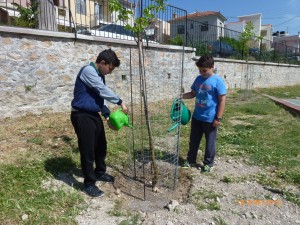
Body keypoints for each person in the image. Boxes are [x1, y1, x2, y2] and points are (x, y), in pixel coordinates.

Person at [70, 49, 128, 197]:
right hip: (82, 115)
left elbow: (98, 98)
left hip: (93, 114)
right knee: (88, 150)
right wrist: (119, 101)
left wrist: (107, 116)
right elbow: (102, 91)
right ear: (102, 63)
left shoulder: (99, 75)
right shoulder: (88, 71)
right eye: (110, 68)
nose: (109, 72)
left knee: (101, 146)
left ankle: (100, 172)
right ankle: (89, 184)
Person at [182, 55, 226, 172]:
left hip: (210, 119)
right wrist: (181, 97)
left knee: (210, 143)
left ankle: (208, 163)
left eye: (204, 70)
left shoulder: (218, 81)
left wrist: (218, 118)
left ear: (212, 67)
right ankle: (191, 160)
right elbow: (193, 93)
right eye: (200, 70)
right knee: (194, 140)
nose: (202, 72)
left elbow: (222, 100)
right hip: (197, 117)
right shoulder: (198, 79)